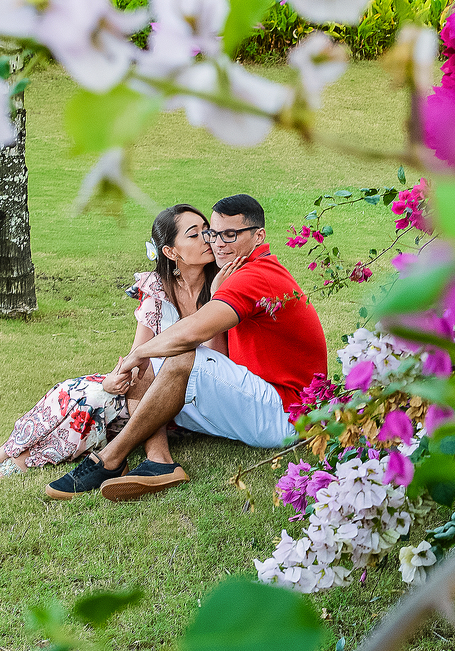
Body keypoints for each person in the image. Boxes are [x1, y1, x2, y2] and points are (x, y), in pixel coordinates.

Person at [45, 194, 329, 501]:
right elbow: (217, 356)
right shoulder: (238, 274)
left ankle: (111, 458)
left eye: (230, 235)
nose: (218, 243)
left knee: (179, 356)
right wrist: (144, 358)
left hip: (287, 414)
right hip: (264, 403)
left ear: (259, 235)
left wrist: (139, 353)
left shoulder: (255, 275)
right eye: (214, 233)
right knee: (149, 370)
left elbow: (190, 335)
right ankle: (159, 461)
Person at [0, 205, 225, 485]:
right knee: (72, 393)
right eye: (194, 234)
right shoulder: (157, 289)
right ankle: (4, 459)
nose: (207, 238)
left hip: (187, 393)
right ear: (171, 253)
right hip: (148, 388)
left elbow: (214, 360)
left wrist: (216, 296)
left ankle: (17, 462)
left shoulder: (221, 285)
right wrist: (116, 377)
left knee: (94, 400)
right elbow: (139, 355)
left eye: (206, 230)